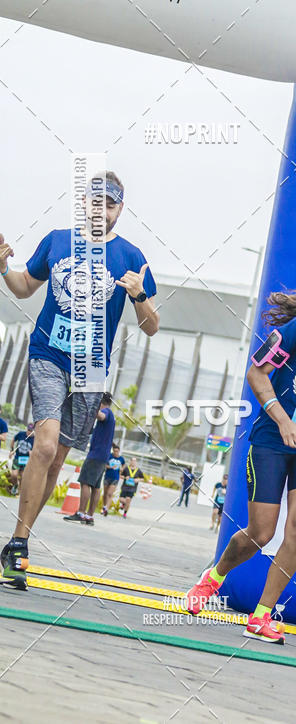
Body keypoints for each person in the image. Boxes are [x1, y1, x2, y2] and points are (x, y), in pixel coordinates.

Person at [186, 267, 296, 644]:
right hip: (271, 439)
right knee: (261, 533)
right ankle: (213, 578)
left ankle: (262, 615)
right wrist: (284, 421)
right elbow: (257, 373)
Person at [0, 172, 159, 590]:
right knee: (45, 443)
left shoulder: (130, 256)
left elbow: (152, 327)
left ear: (119, 210)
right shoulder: (57, 240)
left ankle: (22, 537)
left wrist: (140, 296)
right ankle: (18, 543)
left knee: (57, 458)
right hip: (48, 354)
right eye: (94, 202)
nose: (101, 210)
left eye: (109, 204)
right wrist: (2, 266)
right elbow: (22, 288)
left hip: (91, 368)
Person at [63, 393, 115, 526]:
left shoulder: (106, 412)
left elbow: (101, 415)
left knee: (85, 482)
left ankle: (80, 512)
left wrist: (92, 406)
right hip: (103, 456)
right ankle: (89, 516)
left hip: (96, 455)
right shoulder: (112, 416)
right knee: (96, 486)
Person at [7, 424, 35, 496]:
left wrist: (32, 453)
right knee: (14, 475)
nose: (29, 432)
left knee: (23, 477)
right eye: (28, 430)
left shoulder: (35, 439)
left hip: (27, 460)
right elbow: (13, 439)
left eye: (31, 431)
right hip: (17, 458)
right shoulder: (21, 434)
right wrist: (11, 450)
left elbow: (37, 451)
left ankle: (20, 492)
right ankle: (15, 486)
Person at [102, 443, 125, 516]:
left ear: (119, 451)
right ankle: (104, 506)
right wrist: (110, 467)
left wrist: (122, 468)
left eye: (117, 451)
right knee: (105, 494)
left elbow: (124, 464)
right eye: (114, 451)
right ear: (113, 451)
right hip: (107, 476)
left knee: (110, 493)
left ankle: (106, 509)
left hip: (115, 478)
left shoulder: (121, 458)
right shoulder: (109, 456)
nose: (115, 453)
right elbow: (104, 464)